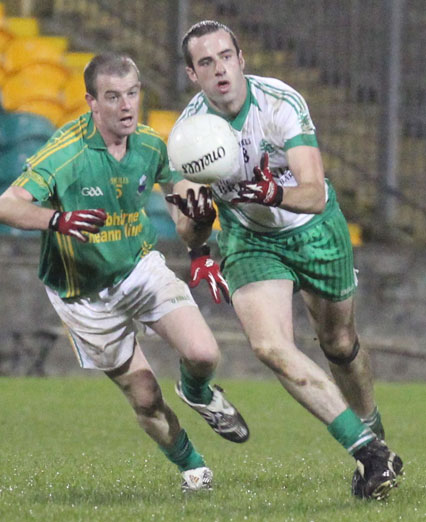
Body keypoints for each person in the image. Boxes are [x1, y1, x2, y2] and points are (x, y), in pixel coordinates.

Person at [166, 20, 403, 500]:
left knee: (338, 343)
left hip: (314, 231)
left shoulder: (281, 103)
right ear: (193, 74)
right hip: (250, 240)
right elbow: (189, 229)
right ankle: (368, 452)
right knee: (270, 346)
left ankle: (373, 434)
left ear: (241, 59)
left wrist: (275, 190)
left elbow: (314, 194)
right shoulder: (188, 133)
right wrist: (197, 221)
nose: (220, 69)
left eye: (226, 56)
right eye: (206, 62)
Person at [0, 52, 249, 492]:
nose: (126, 106)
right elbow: (4, 206)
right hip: (83, 294)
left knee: (204, 354)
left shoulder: (151, 145)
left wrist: (201, 246)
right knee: (145, 396)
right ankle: (192, 466)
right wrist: (57, 220)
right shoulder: (67, 152)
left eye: (132, 93)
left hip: (139, 268)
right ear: (92, 102)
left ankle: (198, 392)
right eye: (113, 97)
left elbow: (182, 193)